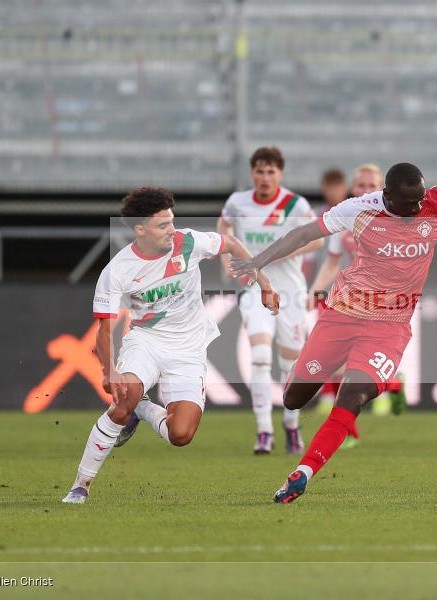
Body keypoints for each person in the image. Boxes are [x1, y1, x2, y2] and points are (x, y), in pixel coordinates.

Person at [230, 163, 437, 503]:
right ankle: (366, 382)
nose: (416, 209)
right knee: (294, 399)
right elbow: (304, 235)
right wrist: (260, 259)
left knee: (353, 394)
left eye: (419, 201)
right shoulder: (359, 209)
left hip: (389, 326)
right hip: (342, 316)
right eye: (408, 204)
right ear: (386, 196)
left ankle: (302, 473)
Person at [62, 187, 278, 504]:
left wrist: (265, 284)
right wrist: (109, 371)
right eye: (162, 225)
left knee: (181, 434)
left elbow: (231, 243)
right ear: (140, 230)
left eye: (172, 221)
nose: (172, 230)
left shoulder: (188, 242)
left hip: (189, 347)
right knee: (122, 401)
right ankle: (81, 485)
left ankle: (142, 408)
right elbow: (103, 330)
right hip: (146, 341)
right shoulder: (117, 270)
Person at [218, 147, 323, 455]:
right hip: (255, 288)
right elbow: (224, 227)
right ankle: (264, 431)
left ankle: (291, 425)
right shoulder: (237, 202)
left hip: (290, 290)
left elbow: (317, 240)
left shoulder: (295, 204)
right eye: (260, 171)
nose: (265, 177)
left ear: (280, 174)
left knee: (290, 364)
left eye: (271, 172)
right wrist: (226, 258)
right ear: (252, 173)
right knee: (261, 356)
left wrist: (279, 251)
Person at [309, 164, 407, 421]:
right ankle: (348, 417)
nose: (366, 190)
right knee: (340, 358)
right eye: (361, 185)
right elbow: (331, 263)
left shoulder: (396, 220)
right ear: (352, 189)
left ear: (382, 189)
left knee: (368, 360)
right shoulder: (345, 219)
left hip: (384, 300)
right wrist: (315, 290)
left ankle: (390, 389)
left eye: (371, 185)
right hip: (348, 298)